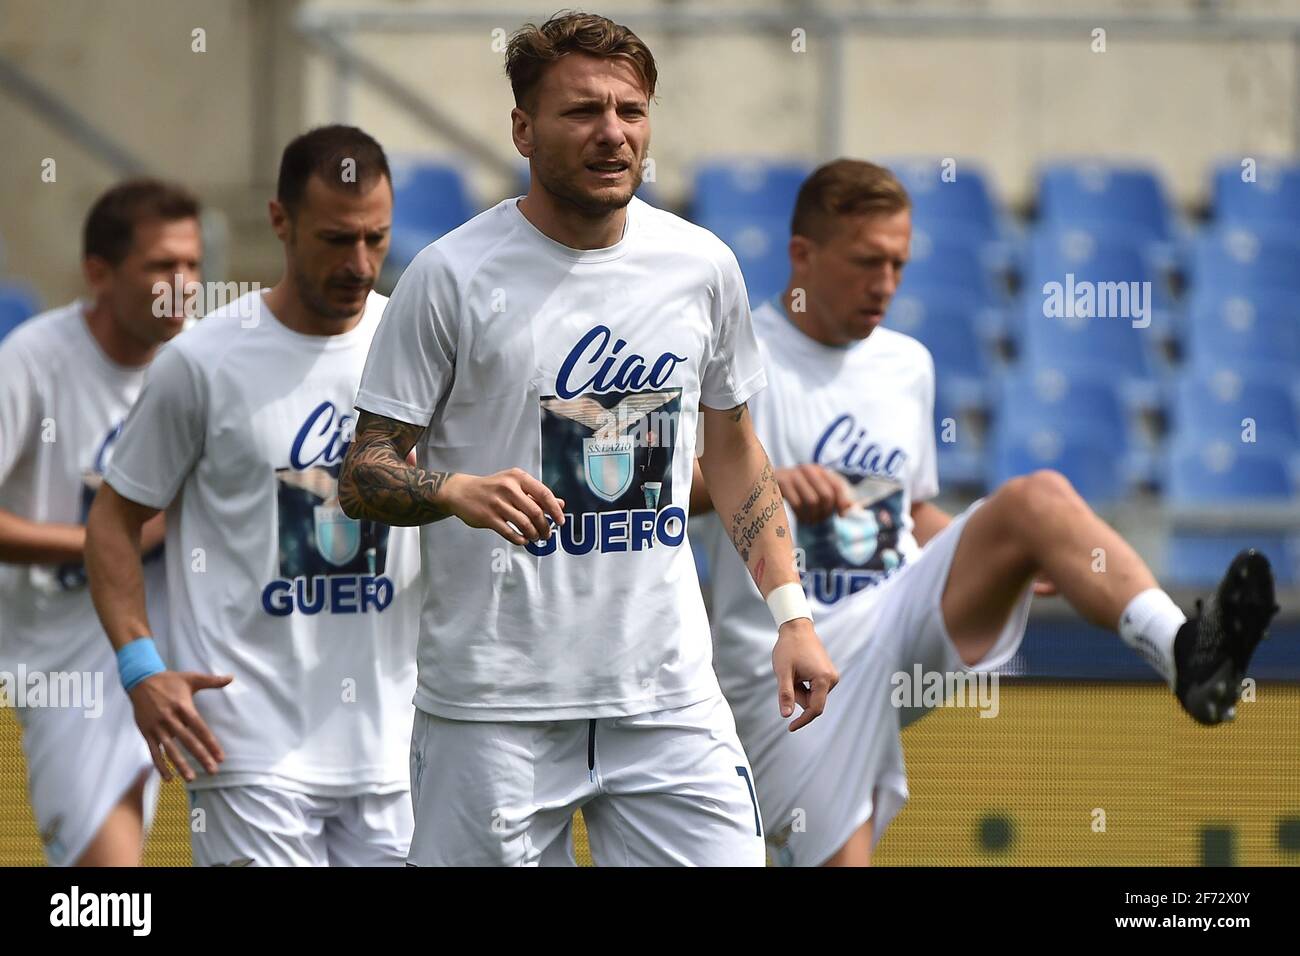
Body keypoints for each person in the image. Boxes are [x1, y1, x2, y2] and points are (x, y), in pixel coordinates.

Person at [338, 11, 837, 867]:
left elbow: (733, 448)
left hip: (669, 698)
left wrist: (791, 612)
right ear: (523, 129)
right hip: (494, 709)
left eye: (631, 110)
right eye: (582, 112)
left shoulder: (702, 266)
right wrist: (456, 491)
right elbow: (365, 472)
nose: (613, 133)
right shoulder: (450, 277)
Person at [692, 158, 1282, 867]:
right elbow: (668, 487)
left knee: (1034, 502)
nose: (885, 285)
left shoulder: (906, 365)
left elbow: (909, 513)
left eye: (899, 264)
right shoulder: (738, 361)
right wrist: (770, 484)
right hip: (787, 656)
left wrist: (1005, 553)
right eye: (866, 262)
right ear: (802, 256)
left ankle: (1189, 654)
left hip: (894, 614)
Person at [85, 126, 420, 866]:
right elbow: (113, 519)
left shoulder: (417, 345)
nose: (359, 265)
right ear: (280, 221)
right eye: (336, 239)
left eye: (376, 238)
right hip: (248, 749)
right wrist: (141, 667)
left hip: (398, 748)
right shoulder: (203, 361)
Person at [0, 179, 201, 865]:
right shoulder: (31, 360)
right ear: (98, 273)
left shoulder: (202, 361)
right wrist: (100, 543)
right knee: (104, 892)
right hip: (71, 668)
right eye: (160, 266)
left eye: (193, 265)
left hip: (197, 645)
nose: (183, 284)